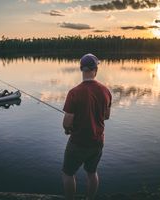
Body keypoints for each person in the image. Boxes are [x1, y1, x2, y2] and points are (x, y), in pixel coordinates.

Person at [62, 53, 112, 200]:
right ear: (95, 69)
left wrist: (67, 129)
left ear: (81, 69)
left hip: (78, 142)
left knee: (68, 173)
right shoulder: (106, 91)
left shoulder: (74, 93)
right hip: (97, 142)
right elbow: (106, 116)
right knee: (92, 173)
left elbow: (67, 122)